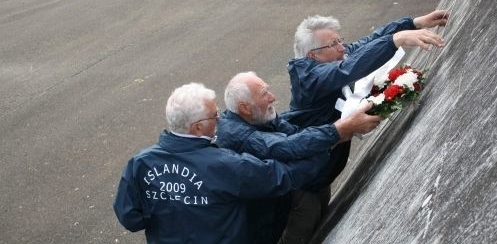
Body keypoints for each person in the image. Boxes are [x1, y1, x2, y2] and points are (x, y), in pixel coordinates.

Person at [113, 82, 361, 243]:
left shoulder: (140, 164)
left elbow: (131, 219)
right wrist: (333, 139)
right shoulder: (222, 164)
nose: (219, 119)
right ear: (197, 127)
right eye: (214, 116)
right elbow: (283, 177)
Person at [279, 10, 450, 241]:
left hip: (320, 172)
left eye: (340, 40)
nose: (342, 48)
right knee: (300, 233)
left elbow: (365, 44)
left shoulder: (332, 56)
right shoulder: (309, 79)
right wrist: (395, 40)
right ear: (313, 55)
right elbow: (347, 69)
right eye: (334, 44)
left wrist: (413, 23)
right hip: (303, 184)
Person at [216, 72, 382, 243]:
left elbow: (296, 137)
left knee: (316, 180)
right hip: (259, 218)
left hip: (275, 195)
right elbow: (287, 147)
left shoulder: (259, 116)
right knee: (305, 197)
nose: (272, 97)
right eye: (265, 94)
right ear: (245, 108)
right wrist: (339, 130)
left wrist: (336, 134)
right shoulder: (236, 134)